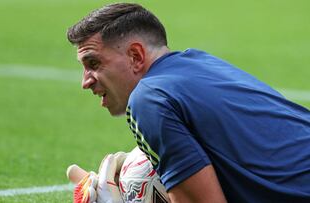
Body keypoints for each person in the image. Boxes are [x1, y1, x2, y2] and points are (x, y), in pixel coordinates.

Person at [67, 3, 310, 203]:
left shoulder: (148, 98)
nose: (85, 82)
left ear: (136, 56)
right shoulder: (201, 62)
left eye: (94, 64)